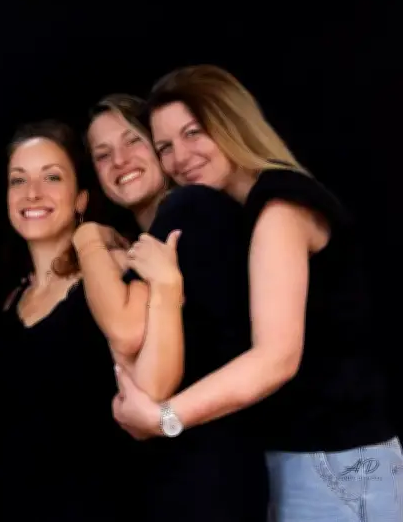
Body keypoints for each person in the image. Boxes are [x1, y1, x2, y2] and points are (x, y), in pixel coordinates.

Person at [115, 64, 402, 521]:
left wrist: (163, 418)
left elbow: (276, 358)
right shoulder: (242, 215)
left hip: (333, 463)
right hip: (300, 461)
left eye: (193, 133)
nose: (179, 157)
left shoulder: (280, 209)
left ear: (231, 122)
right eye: (165, 146)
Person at [0, 120, 180, 522]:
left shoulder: (117, 274)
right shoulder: (5, 300)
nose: (32, 193)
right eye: (18, 180)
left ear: (80, 199)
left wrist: (90, 239)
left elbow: (145, 377)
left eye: (52, 177)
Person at [76, 93, 270, 521]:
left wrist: (85, 238)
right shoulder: (149, 240)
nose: (120, 161)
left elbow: (126, 333)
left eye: (133, 141)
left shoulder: (190, 207)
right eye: (102, 154)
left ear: (161, 149)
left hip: (208, 474)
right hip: (185, 471)